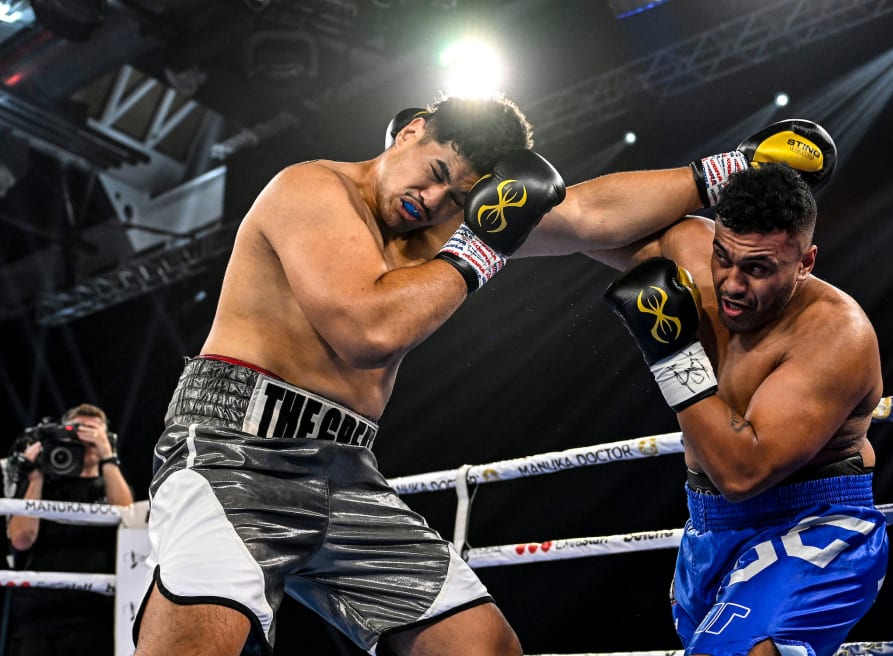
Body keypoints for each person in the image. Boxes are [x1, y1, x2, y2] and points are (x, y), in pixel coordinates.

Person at [132, 92, 831, 656]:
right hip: (233, 448)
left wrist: (732, 168)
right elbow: (367, 330)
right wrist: (482, 246)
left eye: (459, 199)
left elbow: (591, 212)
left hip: (344, 469)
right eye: (436, 174)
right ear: (410, 131)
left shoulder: (449, 229)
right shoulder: (311, 189)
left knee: (483, 647)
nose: (434, 204)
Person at [602, 162, 889, 656]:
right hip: (708, 527)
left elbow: (741, 475)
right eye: (723, 258)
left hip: (811, 524)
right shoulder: (695, 257)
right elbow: (581, 219)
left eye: (757, 268)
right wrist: (719, 168)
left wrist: (673, 356)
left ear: (806, 261)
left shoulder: (835, 334)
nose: (732, 284)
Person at [5, 403, 134, 656]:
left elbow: (129, 519)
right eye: (77, 431)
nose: (85, 438)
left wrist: (108, 457)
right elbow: (20, 539)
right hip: (38, 618)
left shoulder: (109, 486)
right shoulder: (41, 485)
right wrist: (37, 476)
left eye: (93, 432)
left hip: (97, 618)